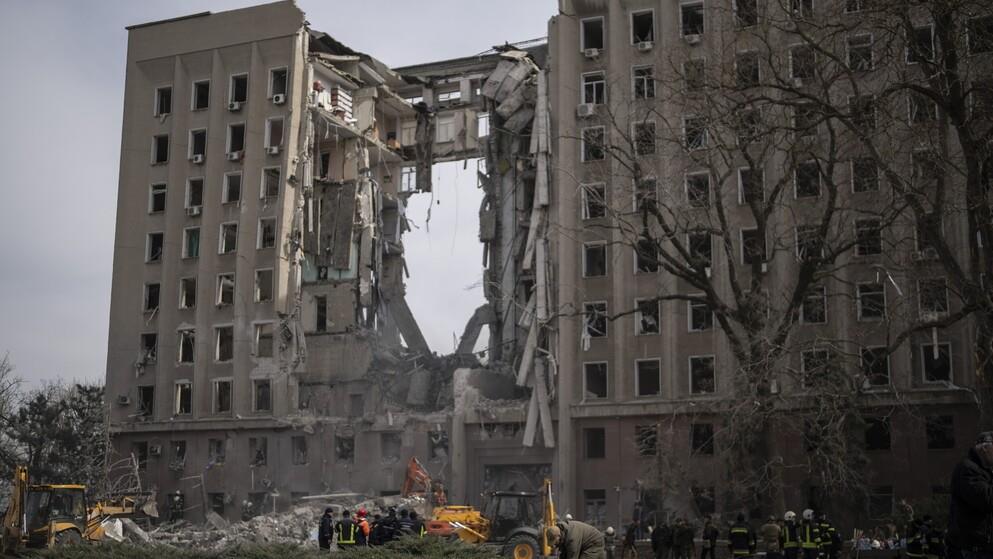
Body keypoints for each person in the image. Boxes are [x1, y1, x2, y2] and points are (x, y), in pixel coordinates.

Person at [949, 431, 993, 559]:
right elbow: (987, 499)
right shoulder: (967, 469)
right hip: (977, 550)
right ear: (985, 448)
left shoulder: (986, 471)